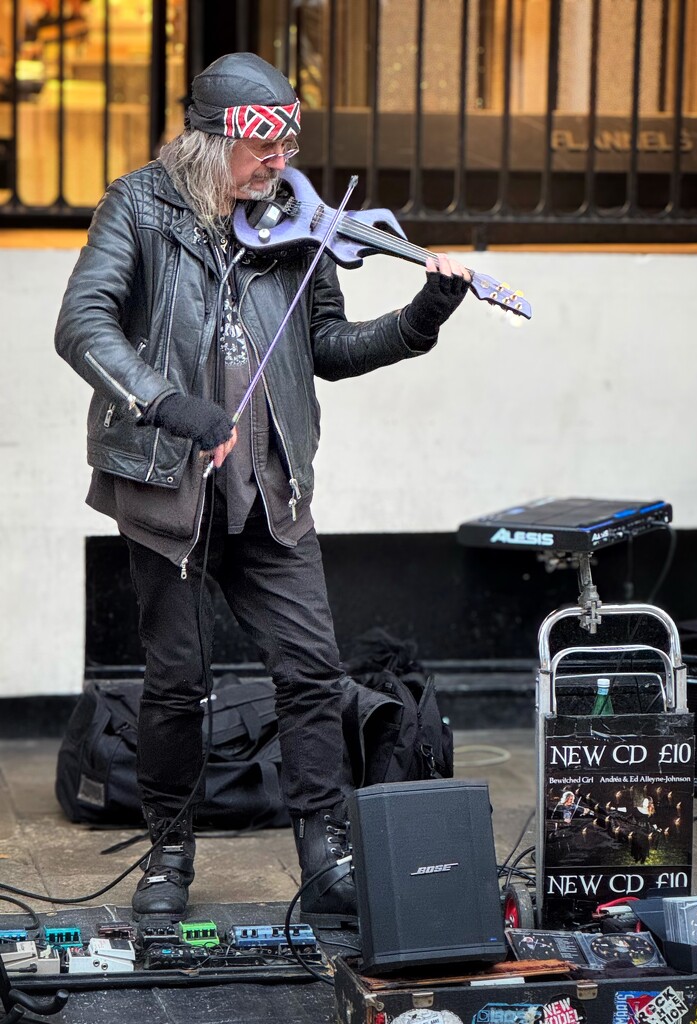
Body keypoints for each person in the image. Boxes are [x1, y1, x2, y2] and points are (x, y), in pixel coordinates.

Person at [54, 52, 470, 927]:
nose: (279, 162)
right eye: (261, 147)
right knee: (175, 681)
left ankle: (326, 854)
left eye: (288, 142)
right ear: (209, 143)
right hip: (168, 484)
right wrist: (171, 406)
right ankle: (168, 852)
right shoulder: (138, 205)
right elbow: (81, 323)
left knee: (312, 672)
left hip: (271, 486)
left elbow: (327, 347)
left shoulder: (296, 220)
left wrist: (419, 319)